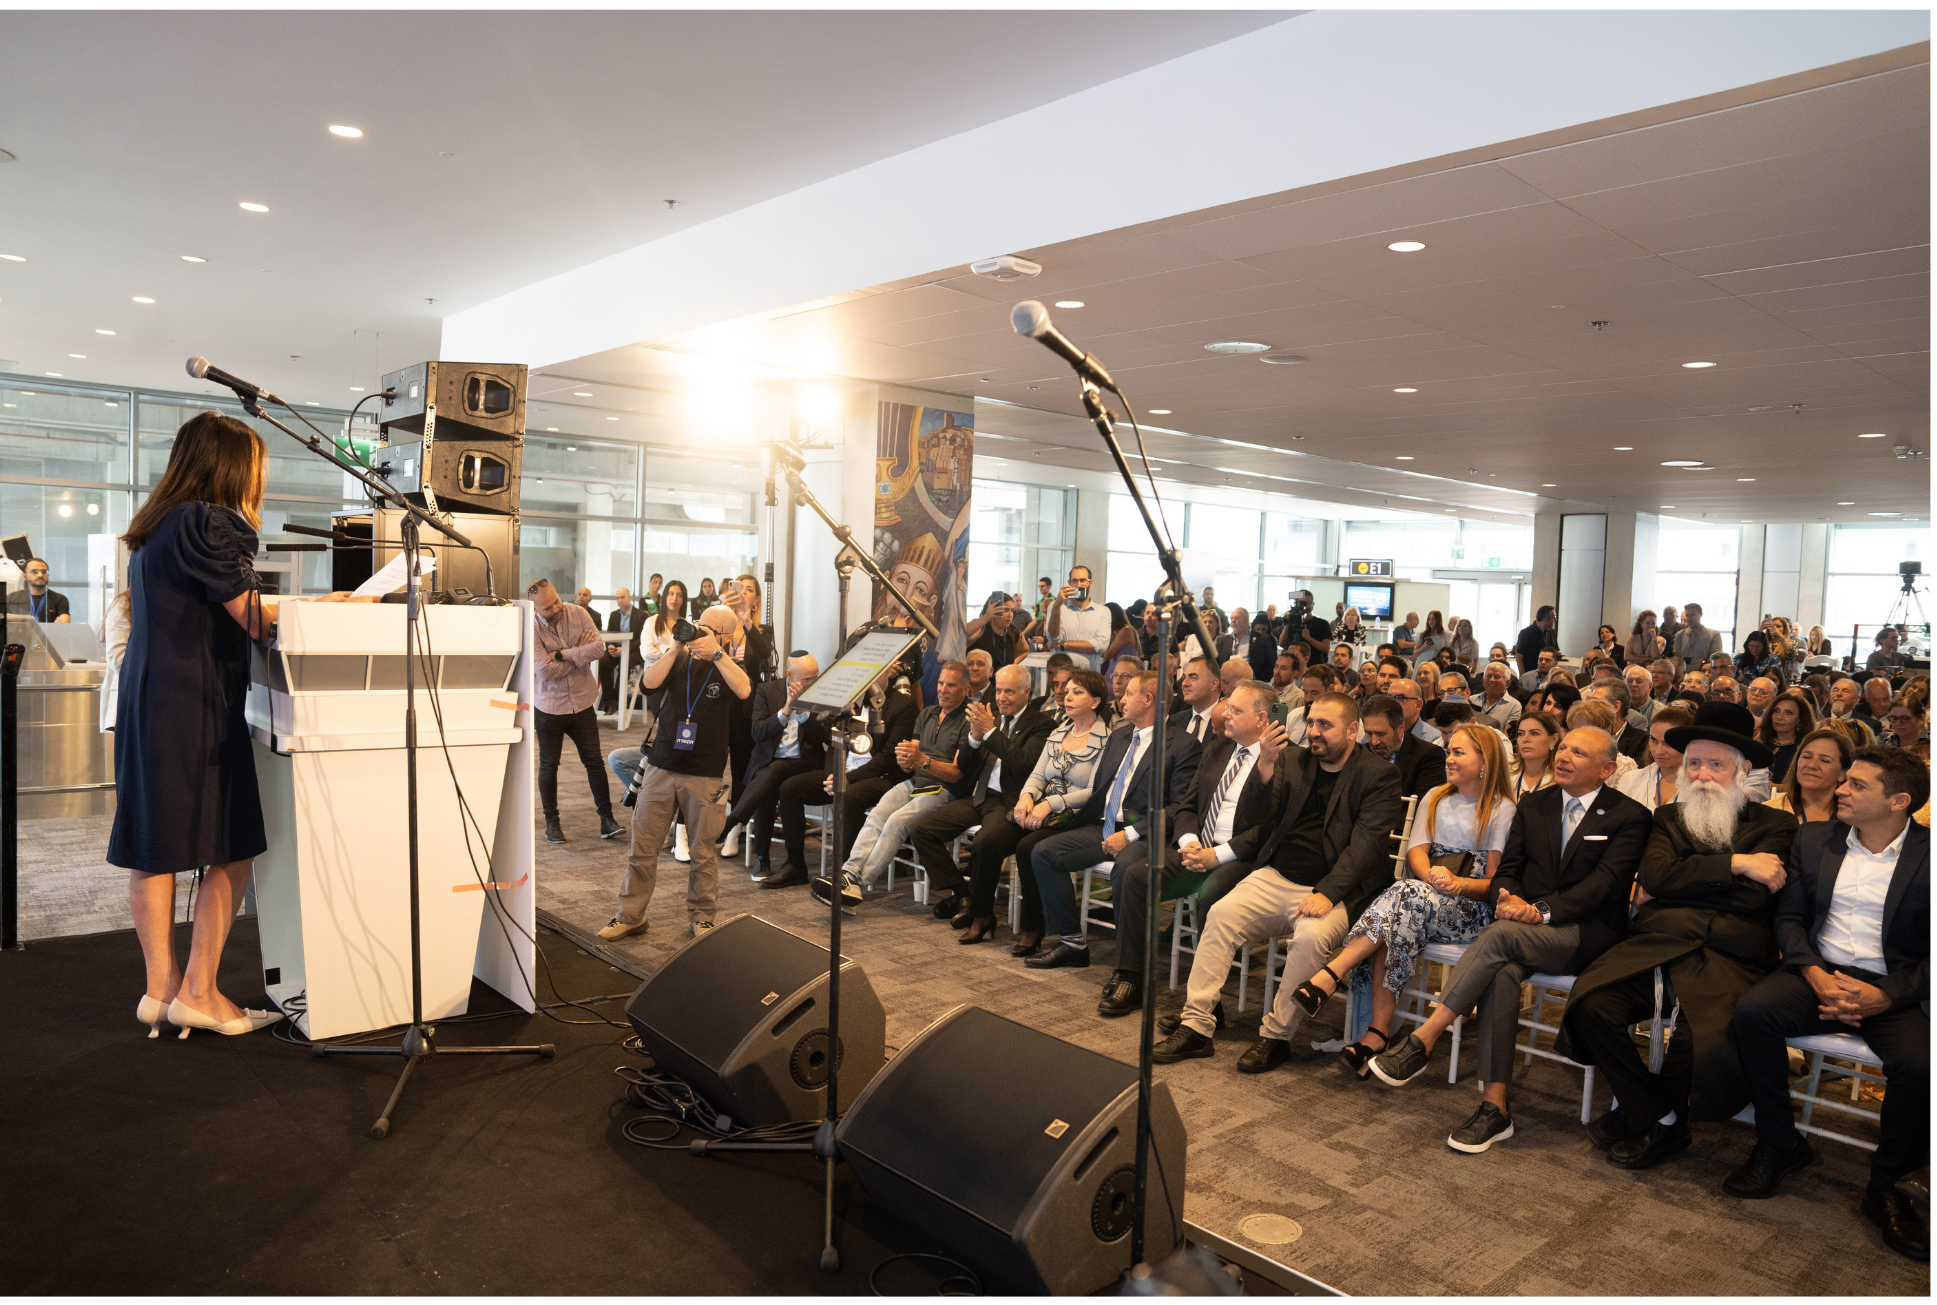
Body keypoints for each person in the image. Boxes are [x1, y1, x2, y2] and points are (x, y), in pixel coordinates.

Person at [111, 411, 361, 1038]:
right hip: (194, 702)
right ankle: (199, 993)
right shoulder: (209, 519)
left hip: (148, 697)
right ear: (232, 466)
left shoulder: (157, 527)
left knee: (154, 842)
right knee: (233, 844)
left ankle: (161, 990)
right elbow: (251, 617)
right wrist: (321, 609)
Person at [1368, 726, 1653, 1151]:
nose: (1564, 755)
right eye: (1563, 747)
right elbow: (1508, 869)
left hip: (1585, 935)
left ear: (1607, 769)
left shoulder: (1629, 815)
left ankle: (1425, 1038)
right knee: (1501, 971)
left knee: (1500, 937)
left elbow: (1606, 886)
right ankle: (1494, 1108)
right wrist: (1508, 896)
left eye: (1578, 752)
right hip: (1522, 927)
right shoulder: (1536, 804)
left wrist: (1540, 910)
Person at [1558, 702, 1798, 1170]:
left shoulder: (1776, 824)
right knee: (1591, 1006)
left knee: (1696, 1038)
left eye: (1716, 765)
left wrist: (1680, 882)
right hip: (1656, 947)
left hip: (1727, 957)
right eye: (1694, 763)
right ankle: (1658, 1114)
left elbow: (1754, 899)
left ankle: (1653, 1120)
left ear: (1742, 771)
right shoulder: (1668, 818)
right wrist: (1736, 864)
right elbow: (1654, 874)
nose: (1703, 775)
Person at [1728, 748, 1929, 1260]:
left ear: (1899, 801)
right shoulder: (1815, 838)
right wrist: (1814, 974)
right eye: (1846, 781)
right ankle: (1779, 1142)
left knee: (1920, 1064)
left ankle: (1887, 1185)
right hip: (1818, 970)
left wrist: (1886, 995)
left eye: (1858, 785)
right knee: (1752, 1013)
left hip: (1895, 985)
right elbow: (1790, 919)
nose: (1841, 789)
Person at [1152, 692, 1405, 1069]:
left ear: (1353, 730)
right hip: (1277, 876)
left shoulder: (1378, 774)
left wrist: (1326, 893)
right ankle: (1196, 1027)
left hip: (1338, 889)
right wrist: (1266, 764)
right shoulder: (1292, 759)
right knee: (1220, 914)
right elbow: (1257, 817)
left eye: (1325, 725)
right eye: (1311, 722)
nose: (1314, 732)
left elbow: (1365, 848)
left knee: (1310, 938)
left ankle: (1276, 1036)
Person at [1295, 724, 1515, 1075]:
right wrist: (1431, 878)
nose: (1449, 759)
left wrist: (1457, 883)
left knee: (1401, 899)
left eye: (1459, 753)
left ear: (1485, 761)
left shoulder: (1502, 809)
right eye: (1449, 751)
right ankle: (1377, 1034)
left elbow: (1495, 882)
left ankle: (1334, 975)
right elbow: (1416, 853)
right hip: (1424, 895)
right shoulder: (1436, 796)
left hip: (1470, 909)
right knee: (1400, 910)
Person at [1024, 669, 1202, 974]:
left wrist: (1130, 834)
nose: (1121, 699)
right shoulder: (1120, 735)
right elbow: (1099, 789)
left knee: (1127, 870)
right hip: (1104, 825)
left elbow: (1178, 808)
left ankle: (1129, 970)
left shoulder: (1183, 745)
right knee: (1044, 852)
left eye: (1129, 693)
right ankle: (1072, 943)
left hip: (1146, 834)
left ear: (1148, 699)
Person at [599, 604, 753, 941]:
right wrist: (675, 648)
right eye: (698, 624)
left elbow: (744, 690)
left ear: (726, 637)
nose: (699, 632)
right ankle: (630, 916)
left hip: (705, 770)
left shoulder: (729, 665)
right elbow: (648, 685)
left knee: (702, 851)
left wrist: (716, 654)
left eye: (709, 630)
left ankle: (702, 917)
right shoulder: (678, 658)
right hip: (662, 763)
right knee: (642, 846)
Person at [811, 661, 975, 910]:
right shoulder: (927, 714)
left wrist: (921, 760)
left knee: (897, 821)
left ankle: (857, 882)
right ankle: (848, 872)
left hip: (944, 790)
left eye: (951, 685)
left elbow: (955, 773)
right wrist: (906, 761)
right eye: (941, 683)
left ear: (965, 689)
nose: (943, 689)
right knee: (877, 814)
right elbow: (911, 761)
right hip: (914, 782)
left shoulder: (968, 721)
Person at [910, 663, 1056, 937]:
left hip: (1007, 801)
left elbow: (1022, 763)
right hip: (977, 795)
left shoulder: (1041, 725)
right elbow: (965, 766)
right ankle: (963, 893)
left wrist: (989, 732)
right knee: (921, 829)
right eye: (998, 691)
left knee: (982, 844)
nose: (1001, 697)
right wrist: (974, 739)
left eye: (1009, 691)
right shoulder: (993, 719)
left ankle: (981, 915)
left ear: (1027, 692)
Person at [772, 652, 919, 875]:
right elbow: (835, 743)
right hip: (844, 771)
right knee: (790, 788)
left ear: (889, 671)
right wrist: (833, 774)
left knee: (850, 796)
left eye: (876, 672)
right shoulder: (852, 702)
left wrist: (846, 778)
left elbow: (887, 759)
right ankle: (795, 865)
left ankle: (846, 871)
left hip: (878, 777)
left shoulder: (903, 706)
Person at [1005, 669, 1117, 957]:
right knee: (1003, 837)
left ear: (1096, 701)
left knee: (1028, 847)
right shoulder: (1058, 733)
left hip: (1078, 816)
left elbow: (1094, 791)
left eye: (1077, 692)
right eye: (1067, 692)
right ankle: (998, 916)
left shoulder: (1107, 740)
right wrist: (1026, 797)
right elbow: (1037, 775)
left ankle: (1035, 927)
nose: (1068, 697)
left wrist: (1049, 803)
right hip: (1047, 812)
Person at [526, 580, 622, 845]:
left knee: (594, 762)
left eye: (556, 601)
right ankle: (552, 823)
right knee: (549, 765)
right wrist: (579, 655)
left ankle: (607, 820)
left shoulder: (578, 613)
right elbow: (543, 671)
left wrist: (559, 654)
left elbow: (598, 649)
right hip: (549, 706)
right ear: (535, 609)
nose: (555, 608)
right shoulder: (530, 626)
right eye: (547, 608)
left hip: (582, 701)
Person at [724, 652, 826, 887]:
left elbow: (823, 736)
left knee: (774, 772)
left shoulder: (821, 693)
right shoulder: (767, 690)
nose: (814, 682)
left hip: (803, 764)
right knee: (769, 781)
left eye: (816, 676)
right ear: (790, 675)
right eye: (808, 678)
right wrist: (786, 711)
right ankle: (763, 858)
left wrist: (803, 714)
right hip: (769, 763)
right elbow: (758, 732)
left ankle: (734, 821)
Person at [1362, 692, 1446, 800]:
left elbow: (1427, 805)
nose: (1374, 742)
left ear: (1400, 728)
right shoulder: (1360, 754)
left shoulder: (1428, 755)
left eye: (1381, 734)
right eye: (1369, 734)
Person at [1614, 704, 1696, 812]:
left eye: (1668, 743)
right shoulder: (1630, 780)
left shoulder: (1703, 786)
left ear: (1690, 743)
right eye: (1654, 740)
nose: (1658, 751)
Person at [1763, 726, 1850, 825]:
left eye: (1824, 760)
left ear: (1843, 773)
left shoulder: (1853, 818)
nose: (1812, 765)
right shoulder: (1768, 812)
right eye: (1806, 757)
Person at [1044, 565, 1110, 666]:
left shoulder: (1103, 611)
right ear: (1069, 583)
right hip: (1062, 673)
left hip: (1089, 674)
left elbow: (1101, 645)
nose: (1078, 585)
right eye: (1074, 581)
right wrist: (1057, 605)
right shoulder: (1056, 606)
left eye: (1083, 580)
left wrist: (1062, 644)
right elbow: (1053, 638)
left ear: (1090, 583)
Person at [597, 587, 645, 714]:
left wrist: (624, 649)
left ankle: (616, 701)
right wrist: (611, 646)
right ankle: (611, 699)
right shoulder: (614, 615)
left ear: (630, 598)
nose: (620, 601)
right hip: (616, 650)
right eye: (617, 598)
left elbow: (642, 639)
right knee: (602, 662)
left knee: (624, 664)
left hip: (633, 651)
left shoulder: (641, 615)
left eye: (622, 597)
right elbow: (610, 634)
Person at [1753, 688, 1816, 783]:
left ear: (1800, 719)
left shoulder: (1805, 748)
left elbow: (1803, 785)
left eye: (1789, 713)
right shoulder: (1760, 741)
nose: (1779, 717)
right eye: (1776, 711)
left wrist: (1772, 787)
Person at [1509, 709, 1563, 798]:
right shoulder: (1505, 773)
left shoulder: (1562, 780)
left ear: (1553, 739)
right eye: (1521, 734)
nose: (1525, 739)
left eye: (1534, 733)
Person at [965, 591, 1027, 667]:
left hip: (1003, 675)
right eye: (1006, 610)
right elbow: (963, 634)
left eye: (1012, 610)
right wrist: (987, 616)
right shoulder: (981, 628)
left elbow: (1025, 650)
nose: (1010, 615)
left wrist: (1011, 665)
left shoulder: (1013, 631)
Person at [1171, 656, 1220, 744]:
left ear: (1213, 684)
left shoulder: (1227, 722)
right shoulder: (1174, 722)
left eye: (1193, 677)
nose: (1184, 683)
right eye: (1184, 677)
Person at [7, 557, 71, 622]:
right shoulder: (12, 598)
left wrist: (59, 625)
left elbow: (64, 623)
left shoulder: (59, 599)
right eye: (34, 571)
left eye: (44, 571)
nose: (40, 575)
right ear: (24, 575)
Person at [1474, 661, 1522, 732]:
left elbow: (1508, 735)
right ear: (1483, 679)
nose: (1492, 679)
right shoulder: (1472, 700)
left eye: (1497, 677)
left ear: (1507, 683)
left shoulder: (1514, 706)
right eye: (1489, 676)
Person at [1515, 606, 1556, 675]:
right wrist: (1522, 675)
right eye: (1553, 618)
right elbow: (1519, 656)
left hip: (1549, 673)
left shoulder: (1552, 632)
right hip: (1531, 673)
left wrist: (1557, 654)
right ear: (1545, 620)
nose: (1555, 620)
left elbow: (1555, 649)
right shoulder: (1526, 633)